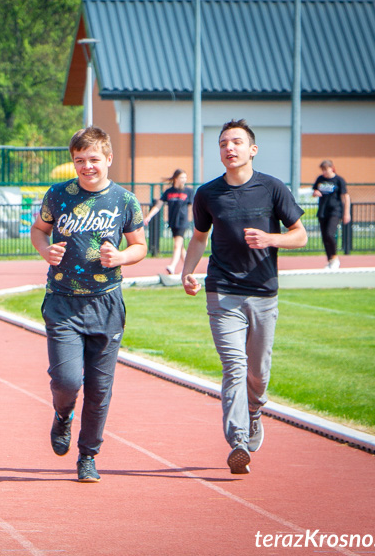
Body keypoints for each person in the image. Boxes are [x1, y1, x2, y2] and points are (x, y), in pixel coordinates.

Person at [181, 119, 307, 475]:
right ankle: (238, 441)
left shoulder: (272, 188)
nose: (229, 148)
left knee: (258, 372)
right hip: (222, 290)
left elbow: (300, 236)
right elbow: (198, 238)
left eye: (236, 142)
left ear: (252, 149)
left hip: (264, 292)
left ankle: (254, 411)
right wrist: (188, 272)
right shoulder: (207, 194)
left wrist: (271, 239)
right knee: (234, 366)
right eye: (223, 143)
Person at [30, 126, 146, 483]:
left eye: (94, 159)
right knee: (66, 380)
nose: (87, 166)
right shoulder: (59, 195)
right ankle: (63, 414)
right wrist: (44, 250)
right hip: (63, 301)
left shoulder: (125, 201)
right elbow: (39, 230)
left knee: (99, 387)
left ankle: (88, 455)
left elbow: (140, 246)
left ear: (108, 159)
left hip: (106, 303)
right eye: (79, 160)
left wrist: (121, 257)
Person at [143, 168, 193, 275]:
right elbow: (158, 205)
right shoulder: (169, 192)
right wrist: (149, 216)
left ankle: (172, 266)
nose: (184, 180)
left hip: (182, 222)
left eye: (185, 177)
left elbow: (193, 207)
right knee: (181, 247)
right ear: (175, 178)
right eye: (181, 177)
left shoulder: (188, 191)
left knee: (177, 245)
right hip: (173, 222)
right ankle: (188, 270)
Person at [312, 160, 350, 269]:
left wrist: (346, 213)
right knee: (324, 237)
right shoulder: (320, 179)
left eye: (326, 169)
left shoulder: (339, 180)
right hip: (323, 211)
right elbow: (315, 191)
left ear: (332, 168)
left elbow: (345, 196)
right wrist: (315, 193)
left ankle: (334, 257)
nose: (324, 172)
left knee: (330, 234)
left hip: (335, 211)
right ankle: (330, 260)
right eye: (323, 170)